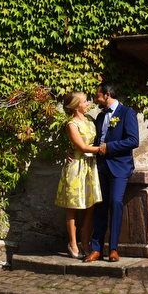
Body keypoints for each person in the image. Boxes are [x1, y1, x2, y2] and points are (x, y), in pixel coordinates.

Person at [85, 81, 138, 263]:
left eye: (97, 95)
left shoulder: (127, 113)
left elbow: (133, 140)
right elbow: (96, 142)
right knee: (100, 206)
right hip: (100, 167)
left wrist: (110, 147)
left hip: (119, 167)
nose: (95, 99)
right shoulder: (100, 117)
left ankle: (113, 248)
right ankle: (96, 249)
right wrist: (74, 150)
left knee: (116, 203)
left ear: (107, 95)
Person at [54, 91, 101, 259]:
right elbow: (81, 147)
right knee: (73, 206)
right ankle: (73, 243)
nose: (88, 103)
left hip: (90, 167)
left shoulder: (90, 120)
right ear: (75, 106)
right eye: (84, 101)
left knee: (90, 206)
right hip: (77, 166)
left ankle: (86, 241)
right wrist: (104, 149)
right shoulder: (71, 124)